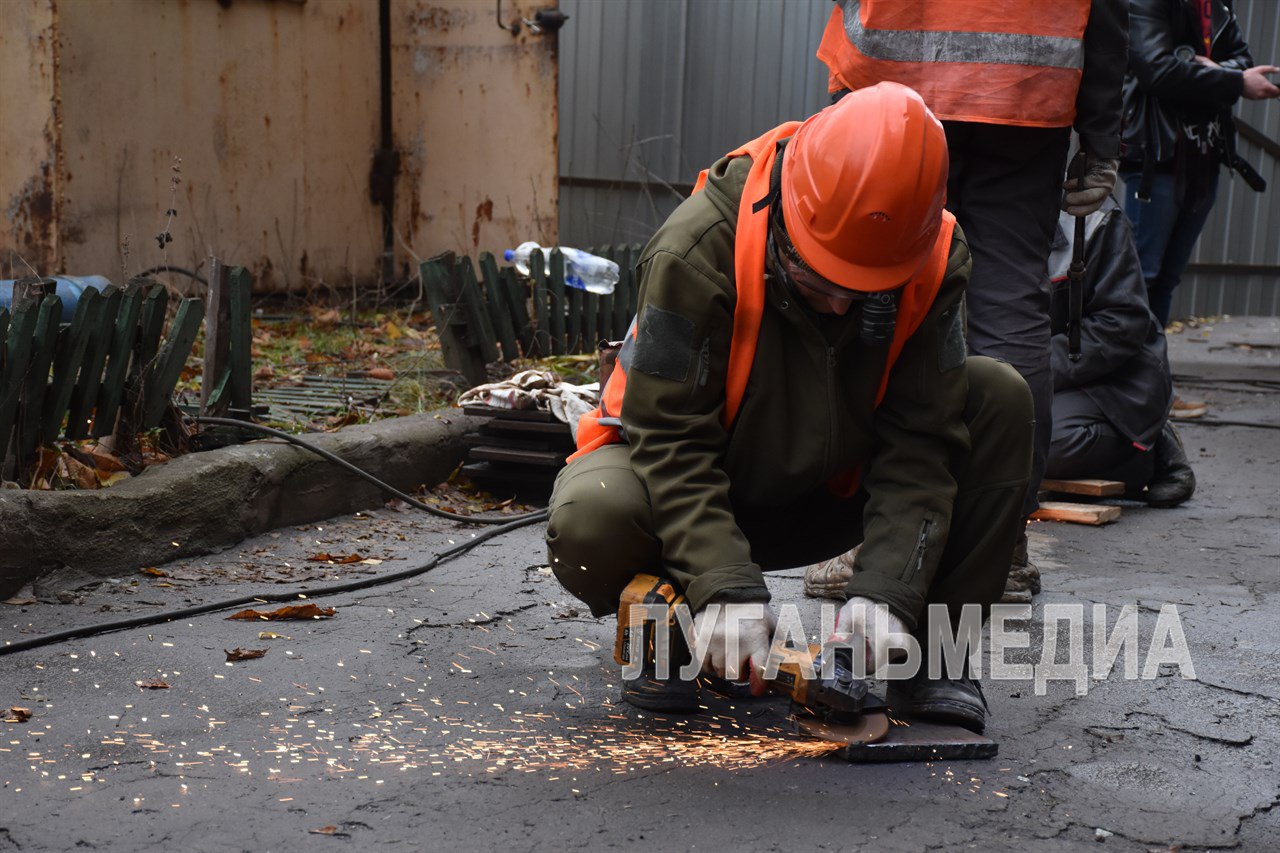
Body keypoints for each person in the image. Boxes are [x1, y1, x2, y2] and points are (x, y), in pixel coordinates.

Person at [545, 84, 1033, 734]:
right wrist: (722, 584)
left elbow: (922, 443)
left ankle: (930, 660)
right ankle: (673, 631)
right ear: (786, 213)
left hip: (836, 489)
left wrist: (887, 595)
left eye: (863, 294)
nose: (838, 306)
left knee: (999, 399)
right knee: (591, 515)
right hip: (698, 489)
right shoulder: (696, 249)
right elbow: (669, 439)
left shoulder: (933, 256)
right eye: (816, 278)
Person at [814, 0, 1129, 595]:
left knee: (872, 294)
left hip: (886, 86)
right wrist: (1102, 133)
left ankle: (867, 540)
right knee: (1010, 314)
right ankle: (1001, 543)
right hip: (1023, 97)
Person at [1121, 0, 1279, 416]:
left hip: (1204, 154)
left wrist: (1213, 69)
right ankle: (1133, 392)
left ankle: (1153, 389)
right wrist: (1223, 77)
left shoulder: (1218, 5)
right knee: (1142, 279)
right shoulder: (1147, 2)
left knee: (1165, 280)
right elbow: (1157, 69)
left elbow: (1242, 58)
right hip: (1158, 157)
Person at [1044, 197, 1196, 511]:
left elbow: (1121, 323)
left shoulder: (1095, 220)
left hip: (1112, 378)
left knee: (1036, 446)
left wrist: (1034, 364)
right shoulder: (965, 211)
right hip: (1032, 373)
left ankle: (1150, 451)